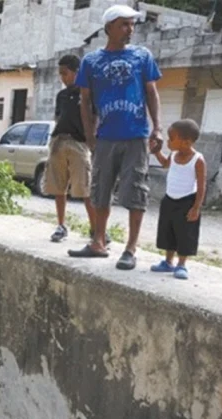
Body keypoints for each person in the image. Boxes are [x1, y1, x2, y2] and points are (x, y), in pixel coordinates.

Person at [68, 4, 164, 270]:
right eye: (124, 24)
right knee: (100, 190)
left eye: (132, 25)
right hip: (105, 137)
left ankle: (131, 248)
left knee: (136, 191)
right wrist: (89, 135)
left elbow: (152, 93)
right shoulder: (91, 61)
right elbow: (85, 102)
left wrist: (157, 128)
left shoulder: (142, 56)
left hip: (135, 136)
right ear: (108, 27)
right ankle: (98, 242)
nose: (129, 30)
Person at [45, 54, 95, 243]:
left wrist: (92, 140)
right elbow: (58, 117)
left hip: (79, 144)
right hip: (59, 141)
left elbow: (93, 118)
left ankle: (95, 229)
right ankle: (61, 225)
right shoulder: (62, 96)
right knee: (59, 186)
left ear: (76, 72)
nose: (62, 78)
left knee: (85, 188)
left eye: (65, 73)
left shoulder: (87, 93)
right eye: (60, 74)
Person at [150, 119, 206, 280]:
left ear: (186, 142)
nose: (168, 142)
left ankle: (181, 264)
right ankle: (168, 262)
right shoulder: (174, 155)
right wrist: (156, 152)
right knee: (168, 231)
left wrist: (196, 208)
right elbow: (165, 164)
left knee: (185, 233)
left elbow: (202, 186)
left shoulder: (198, 160)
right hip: (169, 199)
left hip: (187, 201)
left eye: (171, 138)